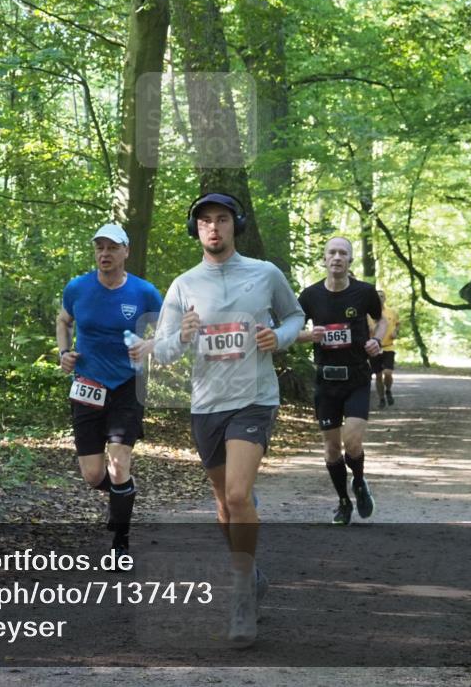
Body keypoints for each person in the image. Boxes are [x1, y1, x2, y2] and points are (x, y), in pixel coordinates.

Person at [144, 193, 305, 647]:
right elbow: (166, 351)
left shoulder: (265, 274)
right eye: (205, 222)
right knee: (223, 501)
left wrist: (282, 336)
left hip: (253, 399)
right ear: (196, 230)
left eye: (222, 220)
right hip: (207, 405)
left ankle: (239, 597)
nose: (213, 228)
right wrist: (182, 335)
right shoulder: (183, 285)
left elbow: (294, 315)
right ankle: (250, 573)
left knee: (238, 494)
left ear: (236, 226)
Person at [55, 224, 163, 564]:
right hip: (88, 385)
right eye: (100, 247)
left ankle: (120, 542)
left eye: (112, 248)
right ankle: (124, 494)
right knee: (93, 475)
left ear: (125, 252)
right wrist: (63, 352)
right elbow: (63, 320)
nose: (105, 253)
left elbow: (168, 333)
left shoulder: (144, 292)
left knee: (118, 464)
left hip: (126, 387)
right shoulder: (77, 288)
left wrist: (149, 345)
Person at [296, 237, 385, 526]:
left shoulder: (364, 292)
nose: (337, 257)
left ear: (350, 261)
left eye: (343, 253)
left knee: (352, 441)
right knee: (332, 448)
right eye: (332, 253)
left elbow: (381, 320)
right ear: (324, 259)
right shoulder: (309, 296)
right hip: (325, 382)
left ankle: (358, 482)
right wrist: (309, 335)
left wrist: (376, 340)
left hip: (357, 377)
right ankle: (343, 501)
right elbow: (289, 331)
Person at [368, 289, 399, 408]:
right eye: (377, 296)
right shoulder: (368, 314)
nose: (380, 298)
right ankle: (381, 399)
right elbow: (367, 330)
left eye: (382, 296)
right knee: (378, 375)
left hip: (388, 347)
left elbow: (397, 324)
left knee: (388, 372)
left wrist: (395, 331)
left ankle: (388, 390)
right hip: (374, 348)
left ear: (385, 298)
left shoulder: (392, 313)